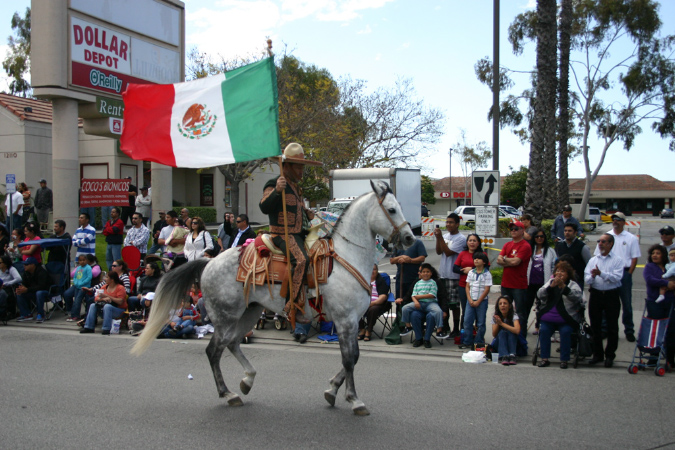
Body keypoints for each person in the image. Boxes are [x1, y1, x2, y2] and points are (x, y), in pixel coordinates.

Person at [259, 143, 321, 317]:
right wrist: (276, 191)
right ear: (286, 166)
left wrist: (307, 213)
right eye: (298, 167)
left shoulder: (295, 187)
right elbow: (264, 207)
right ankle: (290, 303)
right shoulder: (274, 183)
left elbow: (296, 209)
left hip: (299, 233)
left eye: (302, 167)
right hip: (283, 234)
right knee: (301, 260)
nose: (301, 171)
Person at [594, 211, 640, 342]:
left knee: (626, 304)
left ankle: (629, 330)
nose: (615, 221)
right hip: (607, 273)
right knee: (606, 303)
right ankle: (604, 329)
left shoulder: (631, 238)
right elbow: (598, 254)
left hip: (624, 274)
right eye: (614, 219)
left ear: (623, 222)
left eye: (618, 219)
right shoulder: (606, 237)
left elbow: (634, 258)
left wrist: (629, 274)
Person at [535, 261, 585, 369]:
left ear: (568, 274)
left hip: (566, 318)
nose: (559, 273)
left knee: (566, 332)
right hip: (549, 317)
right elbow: (539, 295)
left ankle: (564, 360)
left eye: (563, 271)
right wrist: (550, 287)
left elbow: (577, 297)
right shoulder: (550, 282)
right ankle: (544, 359)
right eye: (558, 271)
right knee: (544, 330)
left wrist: (564, 288)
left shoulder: (573, 284)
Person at [585, 233, 624, 368]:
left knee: (612, 326)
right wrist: (592, 276)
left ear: (610, 244)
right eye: (599, 241)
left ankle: (610, 355)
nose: (600, 243)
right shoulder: (593, 260)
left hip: (611, 295)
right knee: (595, 326)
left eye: (603, 241)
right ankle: (597, 354)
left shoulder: (617, 260)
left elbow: (617, 278)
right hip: (596, 294)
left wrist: (601, 274)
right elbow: (587, 278)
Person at [497, 221, 532, 338]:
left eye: (516, 229)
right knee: (504, 311)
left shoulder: (525, 246)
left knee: (521, 313)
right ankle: (505, 336)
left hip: (519, 285)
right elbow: (498, 260)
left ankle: (521, 339)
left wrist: (506, 259)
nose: (513, 231)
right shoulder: (507, 245)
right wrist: (509, 260)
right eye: (511, 229)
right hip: (506, 284)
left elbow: (517, 262)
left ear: (522, 231)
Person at [643, 245, 675, 369]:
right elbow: (650, 280)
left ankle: (670, 359)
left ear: (663, 255)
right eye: (653, 253)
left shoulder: (669, 266)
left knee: (671, 331)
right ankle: (652, 359)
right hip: (655, 302)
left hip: (670, 301)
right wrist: (666, 283)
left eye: (658, 253)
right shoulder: (650, 267)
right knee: (655, 330)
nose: (655, 255)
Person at [434, 213, 466, 337]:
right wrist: (438, 238)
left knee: (454, 304)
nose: (448, 224)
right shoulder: (445, 236)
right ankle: (445, 326)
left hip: (454, 276)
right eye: (447, 222)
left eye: (451, 222)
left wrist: (440, 237)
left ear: (457, 224)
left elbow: (448, 252)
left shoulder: (460, 238)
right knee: (444, 303)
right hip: (443, 274)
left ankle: (456, 328)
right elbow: (438, 251)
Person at [401, 263, 444, 349]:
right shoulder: (417, 283)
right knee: (405, 308)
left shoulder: (433, 282)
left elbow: (432, 295)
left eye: (427, 272)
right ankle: (408, 327)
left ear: (431, 273)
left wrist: (418, 297)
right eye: (423, 272)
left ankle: (439, 330)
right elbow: (413, 295)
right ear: (420, 273)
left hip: (430, 303)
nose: (425, 273)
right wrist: (416, 301)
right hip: (419, 304)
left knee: (438, 311)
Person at [526, 229, 556, 336]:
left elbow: (554, 266)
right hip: (530, 283)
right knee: (527, 306)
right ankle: (523, 327)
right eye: (537, 237)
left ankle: (539, 326)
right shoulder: (530, 250)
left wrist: (552, 281)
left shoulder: (551, 251)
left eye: (541, 237)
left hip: (544, 284)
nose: (539, 238)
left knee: (542, 307)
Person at [459, 252, 492, 349]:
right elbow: (467, 286)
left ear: (484, 262)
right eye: (475, 258)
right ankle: (467, 341)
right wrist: (469, 299)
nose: (476, 260)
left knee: (481, 323)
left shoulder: (487, 274)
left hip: (482, 301)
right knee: (467, 321)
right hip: (470, 301)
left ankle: (478, 342)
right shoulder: (470, 272)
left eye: (479, 259)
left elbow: (487, 289)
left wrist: (478, 301)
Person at [453, 233, 484, 333]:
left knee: (478, 311)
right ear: (467, 242)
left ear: (478, 243)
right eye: (470, 240)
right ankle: (464, 333)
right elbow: (455, 268)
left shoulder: (482, 255)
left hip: (478, 287)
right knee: (466, 310)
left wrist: (472, 269)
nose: (472, 243)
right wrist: (463, 271)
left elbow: (486, 268)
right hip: (463, 286)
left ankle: (478, 334)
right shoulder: (463, 253)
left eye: (474, 241)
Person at [80, 271, 128, 335]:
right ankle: (89, 327)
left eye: (107, 277)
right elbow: (96, 298)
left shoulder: (120, 288)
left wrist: (109, 297)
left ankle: (106, 328)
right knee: (93, 305)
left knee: (107, 306)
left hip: (119, 310)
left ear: (112, 280)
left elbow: (120, 301)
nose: (105, 279)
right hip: (104, 309)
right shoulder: (104, 287)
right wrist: (103, 299)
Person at [358, 264, 390, 341]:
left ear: (377, 271)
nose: (372, 271)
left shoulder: (380, 280)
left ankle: (369, 330)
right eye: (370, 269)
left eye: (374, 269)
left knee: (373, 309)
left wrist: (371, 304)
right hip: (364, 302)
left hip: (377, 303)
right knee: (355, 308)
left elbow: (383, 297)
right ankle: (362, 329)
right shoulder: (364, 280)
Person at [554, 222, 591, 290]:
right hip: (562, 280)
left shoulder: (582, 247)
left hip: (577, 281)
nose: (567, 233)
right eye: (565, 231)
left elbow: (589, 264)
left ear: (575, 232)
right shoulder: (560, 246)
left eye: (570, 231)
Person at [15, 257, 50, 323]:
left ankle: (41, 314)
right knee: (19, 293)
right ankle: (26, 314)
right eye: (24, 264)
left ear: (33, 265)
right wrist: (21, 288)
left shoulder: (41, 272)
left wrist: (27, 289)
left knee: (39, 293)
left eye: (26, 265)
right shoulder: (26, 273)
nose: (24, 266)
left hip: (45, 291)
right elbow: (24, 284)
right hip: (32, 291)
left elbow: (42, 286)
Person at [492, 295, 521, 365]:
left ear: (509, 306)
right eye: (500, 304)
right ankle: (504, 356)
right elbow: (494, 334)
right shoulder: (496, 316)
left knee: (511, 332)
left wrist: (502, 324)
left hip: (512, 342)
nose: (502, 305)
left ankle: (512, 355)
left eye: (505, 303)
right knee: (502, 332)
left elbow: (517, 330)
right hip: (500, 342)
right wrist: (497, 322)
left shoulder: (514, 315)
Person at [63, 254, 92, 321]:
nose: (82, 262)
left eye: (84, 260)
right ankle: (73, 314)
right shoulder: (78, 268)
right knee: (76, 300)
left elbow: (89, 277)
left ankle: (75, 315)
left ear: (86, 260)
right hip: (77, 286)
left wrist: (82, 283)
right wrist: (75, 282)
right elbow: (75, 276)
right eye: (80, 260)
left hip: (84, 287)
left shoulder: (88, 268)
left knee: (78, 300)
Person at [102, 206, 124, 271]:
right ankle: (111, 271)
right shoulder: (109, 222)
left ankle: (117, 271)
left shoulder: (120, 222)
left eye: (113, 212)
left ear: (117, 213)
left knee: (116, 259)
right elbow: (104, 231)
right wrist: (109, 229)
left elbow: (115, 230)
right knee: (108, 259)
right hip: (109, 243)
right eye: (111, 212)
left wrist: (107, 229)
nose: (111, 213)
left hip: (116, 244)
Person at [0, 254, 22, 319]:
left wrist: (7, 283)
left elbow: (19, 278)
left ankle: (9, 312)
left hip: (9, 287)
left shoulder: (11, 269)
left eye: (0, 263)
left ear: (5, 264)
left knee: (5, 294)